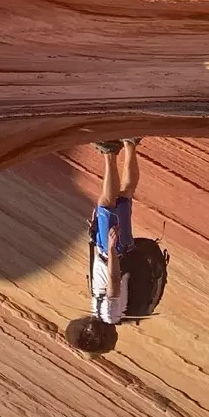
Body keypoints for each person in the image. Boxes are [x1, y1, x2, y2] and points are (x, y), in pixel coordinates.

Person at [65, 137, 141, 353]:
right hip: (112, 252)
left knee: (125, 195)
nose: (86, 330)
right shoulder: (107, 314)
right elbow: (114, 281)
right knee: (107, 203)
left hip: (119, 251)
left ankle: (131, 144)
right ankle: (110, 153)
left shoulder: (111, 317)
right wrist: (110, 247)